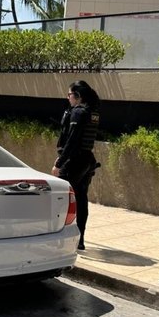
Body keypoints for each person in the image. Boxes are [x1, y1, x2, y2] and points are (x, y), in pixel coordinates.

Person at [52, 80, 100, 251]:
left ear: (78, 96)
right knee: (81, 198)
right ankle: (79, 239)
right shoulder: (92, 112)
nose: (68, 98)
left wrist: (59, 162)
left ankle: (60, 238)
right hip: (87, 161)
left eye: (70, 94)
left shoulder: (78, 113)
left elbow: (72, 141)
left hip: (75, 161)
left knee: (62, 198)